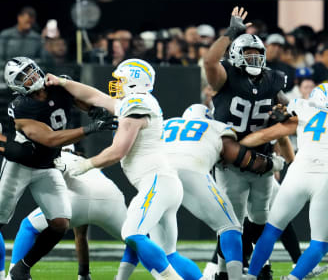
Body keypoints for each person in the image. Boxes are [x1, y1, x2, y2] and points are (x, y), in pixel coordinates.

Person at [44, 59, 195, 280]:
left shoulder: (137, 104)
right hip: (164, 182)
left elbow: (118, 151)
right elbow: (96, 97)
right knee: (168, 253)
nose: (116, 84)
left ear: (134, 82)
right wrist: (63, 82)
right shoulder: (135, 101)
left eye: (121, 80)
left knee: (132, 233)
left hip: (156, 181)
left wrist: (86, 164)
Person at [1, 58, 116, 280]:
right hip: (19, 165)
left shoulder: (56, 87)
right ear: (16, 85)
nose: (32, 77)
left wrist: (92, 110)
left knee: (60, 223)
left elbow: (75, 98)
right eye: (23, 76)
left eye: (31, 71)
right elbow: (50, 138)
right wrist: (90, 127)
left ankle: (22, 269)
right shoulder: (22, 107)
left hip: (47, 164)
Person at [203, 7, 291, 280]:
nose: (254, 59)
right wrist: (232, 32)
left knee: (261, 219)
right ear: (235, 56)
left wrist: (282, 117)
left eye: (257, 55)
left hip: (262, 157)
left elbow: (285, 114)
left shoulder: (272, 80)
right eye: (248, 54)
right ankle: (222, 271)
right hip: (230, 159)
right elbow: (209, 62)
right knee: (231, 221)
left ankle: (252, 262)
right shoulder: (226, 76)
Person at [240, 84, 328, 280]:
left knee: (271, 229)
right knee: (320, 244)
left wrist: (232, 148)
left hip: (299, 171)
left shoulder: (304, 109)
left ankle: (251, 276)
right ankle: (294, 278)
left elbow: (275, 112)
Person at [162, 104, 262, 280]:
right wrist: (270, 164)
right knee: (230, 227)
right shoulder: (215, 126)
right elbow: (235, 154)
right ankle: (235, 277)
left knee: (160, 248)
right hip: (192, 170)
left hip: (158, 176)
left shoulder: (165, 124)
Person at [11, 149, 138, 280]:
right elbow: (81, 235)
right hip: (111, 198)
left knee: (28, 226)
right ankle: (121, 278)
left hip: (76, 200)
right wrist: (83, 273)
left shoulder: (57, 156)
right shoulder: (90, 166)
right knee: (137, 239)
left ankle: (12, 276)